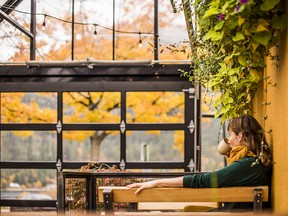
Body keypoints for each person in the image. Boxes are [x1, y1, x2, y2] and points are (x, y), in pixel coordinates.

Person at [127, 115, 273, 211]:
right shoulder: (254, 163)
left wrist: (158, 182)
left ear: (240, 136)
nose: (228, 140)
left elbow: (207, 180)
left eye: (230, 135)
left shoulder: (247, 164)